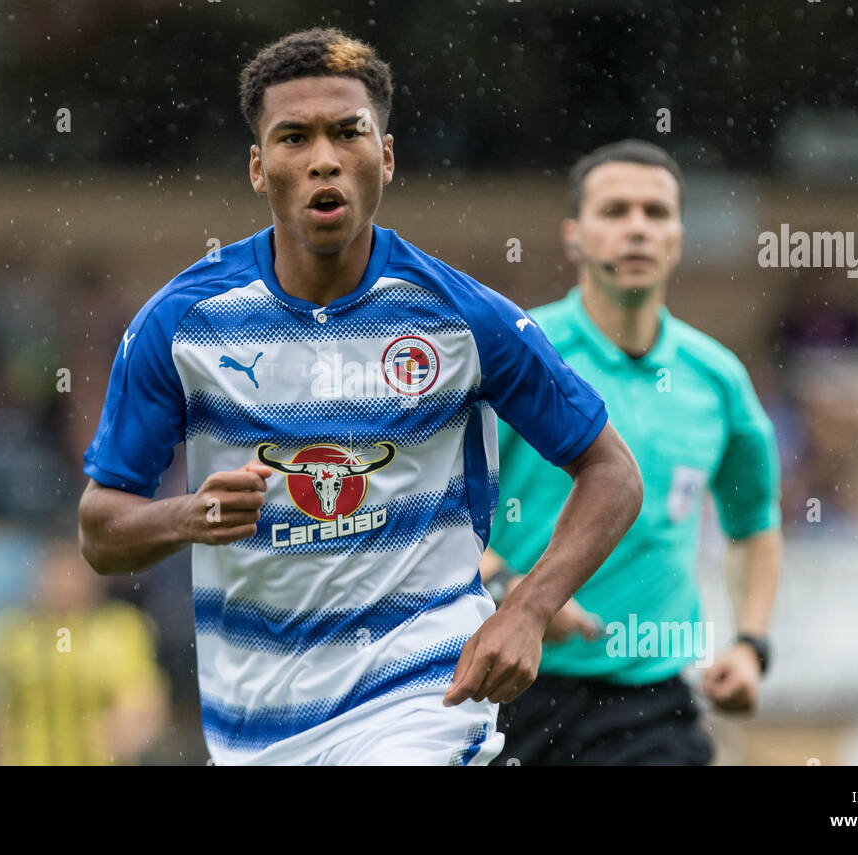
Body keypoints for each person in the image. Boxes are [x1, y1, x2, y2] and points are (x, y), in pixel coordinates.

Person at [77, 28, 643, 766]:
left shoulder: (462, 317)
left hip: (424, 699)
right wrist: (189, 514)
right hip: (255, 728)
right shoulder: (181, 324)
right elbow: (99, 529)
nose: (323, 159)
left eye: (349, 133)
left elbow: (613, 473)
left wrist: (529, 609)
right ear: (258, 165)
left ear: (386, 155)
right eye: (293, 138)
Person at [484, 139, 783, 765]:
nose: (637, 229)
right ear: (574, 235)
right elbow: (431, 513)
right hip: (512, 690)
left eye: (656, 213)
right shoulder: (518, 358)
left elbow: (754, 522)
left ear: (678, 234)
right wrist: (519, 592)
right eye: (615, 211)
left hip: (655, 707)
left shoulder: (716, 377)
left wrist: (751, 644)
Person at [0, 538, 169, 765]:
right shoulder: (11, 633)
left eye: (73, 572)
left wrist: (129, 727)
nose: (64, 583)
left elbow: (144, 702)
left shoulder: (121, 630)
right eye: (56, 572)